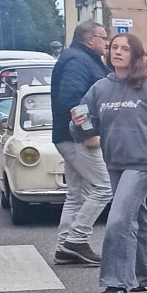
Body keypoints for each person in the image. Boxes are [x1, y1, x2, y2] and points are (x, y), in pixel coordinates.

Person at [76, 34, 147, 293]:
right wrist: (78, 123)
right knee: (139, 217)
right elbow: (86, 129)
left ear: (135, 54)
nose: (118, 52)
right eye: (114, 47)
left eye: (124, 48)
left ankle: (116, 283)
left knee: (119, 220)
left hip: (142, 163)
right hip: (114, 162)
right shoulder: (99, 88)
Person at [49, 19, 112, 266]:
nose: (106, 43)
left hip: (67, 136)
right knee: (104, 187)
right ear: (90, 39)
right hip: (77, 138)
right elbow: (72, 100)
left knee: (75, 195)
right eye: (103, 38)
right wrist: (89, 133)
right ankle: (76, 239)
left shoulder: (78, 58)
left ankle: (64, 248)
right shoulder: (78, 61)